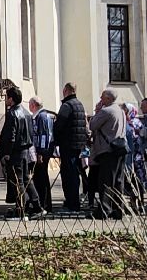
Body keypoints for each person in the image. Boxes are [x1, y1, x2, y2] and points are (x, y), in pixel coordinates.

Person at [1, 86, 43, 218]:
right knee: (26, 179)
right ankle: (36, 206)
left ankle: (21, 210)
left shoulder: (13, 113)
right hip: (26, 150)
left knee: (18, 181)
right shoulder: (26, 113)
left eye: (6, 97)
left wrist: (7, 152)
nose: (5, 99)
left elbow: (11, 135)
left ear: (11, 99)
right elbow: (31, 133)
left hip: (15, 152)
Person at [89, 89, 127, 220]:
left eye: (103, 97)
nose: (100, 98)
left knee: (105, 181)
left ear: (109, 99)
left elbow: (92, 125)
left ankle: (104, 210)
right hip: (120, 148)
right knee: (118, 180)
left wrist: (98, 111)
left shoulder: (106, 111)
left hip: (108, 150)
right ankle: (118, 209)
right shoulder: (120, 110)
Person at [52, 83, 88, 213]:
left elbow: (59, 125)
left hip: (68, 144)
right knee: (74, 174)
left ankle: (71, 204)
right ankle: (74, 202)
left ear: (65, 90)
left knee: (68, 175)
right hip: (78, 144)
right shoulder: (79, 104)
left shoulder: (67, 106)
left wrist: (55, 139)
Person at [29, 96, 55, 213]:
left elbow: (44, 135)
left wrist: (40, 153)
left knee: (41, 178)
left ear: (34, 105)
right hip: (41, 151)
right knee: (39, 177)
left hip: (42, 152)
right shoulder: (40, 116)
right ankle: (43, 203)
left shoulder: (42, 116)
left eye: (30, 104)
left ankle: (44, 203)